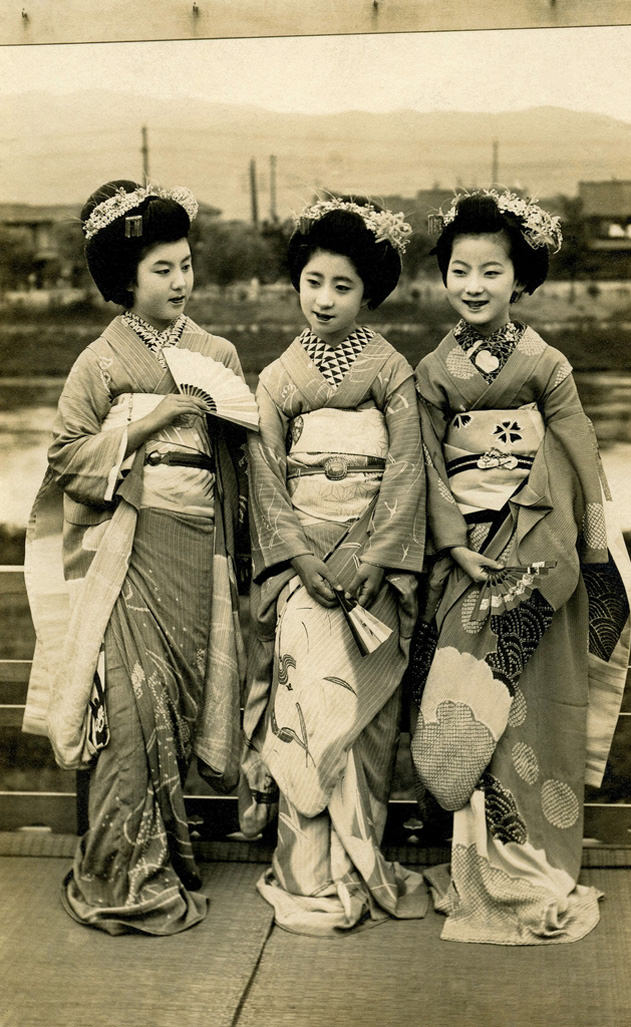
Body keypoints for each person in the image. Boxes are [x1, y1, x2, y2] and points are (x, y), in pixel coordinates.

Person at [22, 180, 250, 935]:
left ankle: (160, 850)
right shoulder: (99, 360)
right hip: (127, 551)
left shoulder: (217, 353)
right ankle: (122, 871)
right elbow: (64, 456)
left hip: (195, 550)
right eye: (162, 268)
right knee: (128, 710)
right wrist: (150, 421)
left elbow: (242, 460)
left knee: (174, 711)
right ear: (126, 277)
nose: (180, 280)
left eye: (186, 264)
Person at [408, 189, 631, 945]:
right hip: (467, 557)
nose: (473, 285)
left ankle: (531, 865)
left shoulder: (547, 364)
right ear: (443, 275)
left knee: (533, 714)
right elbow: (427, 469)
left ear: (519, 278)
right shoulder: (433, 371)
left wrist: (542, 542)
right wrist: (454, 540)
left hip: (535, 555)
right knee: (473, 712)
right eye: (460, 269)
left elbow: (577, 458)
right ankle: (478, 870)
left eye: (492, 270)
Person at [239, 197, 429, 935]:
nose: (323, 299)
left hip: (369, 574)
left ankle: (357, 865)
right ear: (297, 282)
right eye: (313, 281)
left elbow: (407, 470)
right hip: (305, 576)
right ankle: (303, 871)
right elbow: (265, 477)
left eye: (342, 286)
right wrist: (300, 558)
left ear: (369, 291)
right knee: (302, 714)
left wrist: (376, 557)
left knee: (365, 726)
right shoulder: (279, 378)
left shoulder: (391, 370)